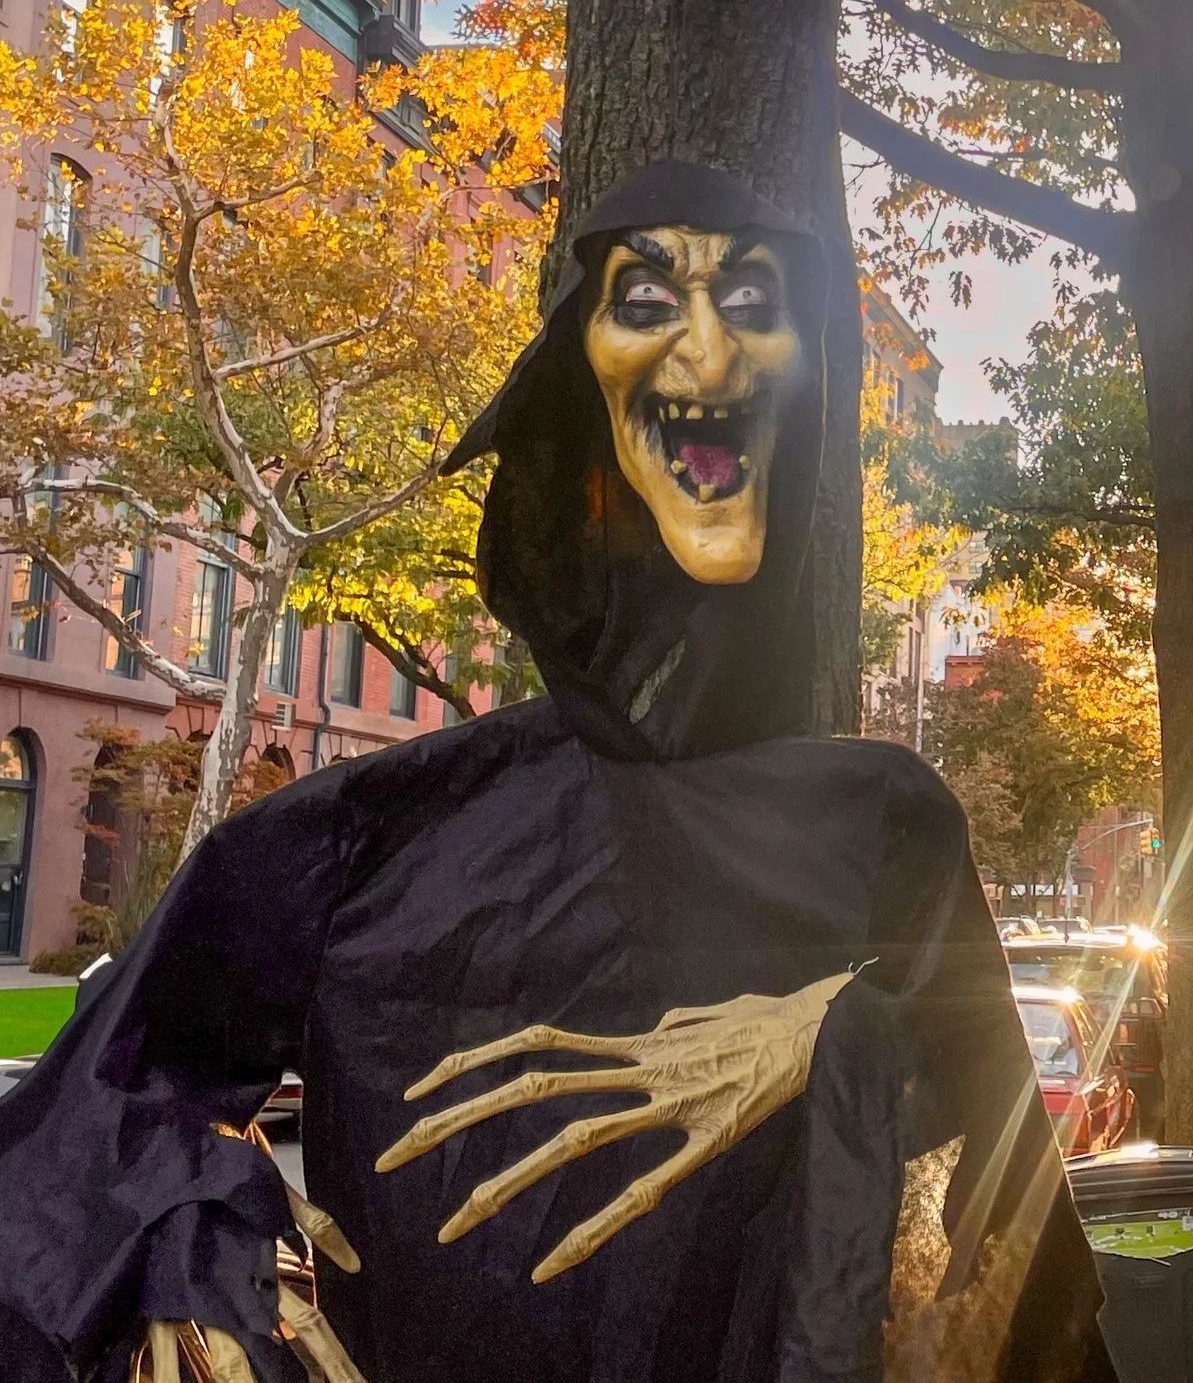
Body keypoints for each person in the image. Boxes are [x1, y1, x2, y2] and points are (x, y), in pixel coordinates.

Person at [0, 164, 1113, 1383]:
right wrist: (193, 1239)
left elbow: (1000, 1236)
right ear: (576, 375)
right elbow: (93, 1112)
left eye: (753, 296)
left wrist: (823, 1029)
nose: (708, 341)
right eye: (646, 295)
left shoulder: (886, 820)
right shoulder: (372, 834)